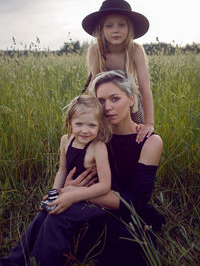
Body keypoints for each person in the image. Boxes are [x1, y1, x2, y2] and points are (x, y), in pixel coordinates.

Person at [0, 71, 165, 266]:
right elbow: (71, 166)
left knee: (60, 215)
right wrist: (64, 190)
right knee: (49, 211)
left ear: (131, 99)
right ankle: (13, 262)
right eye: (101, 101)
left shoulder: (149, 142)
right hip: (91, 206)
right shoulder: (95, 134)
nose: (108, 107)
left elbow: (136, 202)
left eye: (115, 98)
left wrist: (75, 193)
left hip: (124, 216)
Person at [82, 0, 153, 143]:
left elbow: (145, 89)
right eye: (109, 26)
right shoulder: (95, 50)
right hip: (103, 102)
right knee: (103, 139)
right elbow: (92, 89)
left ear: (129, 28)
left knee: (138, 137)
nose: (116, 30)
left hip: (131, 103)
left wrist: (149, 123)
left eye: (122, 25)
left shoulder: (135, 50)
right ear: (101, 29)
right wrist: (89, 119)